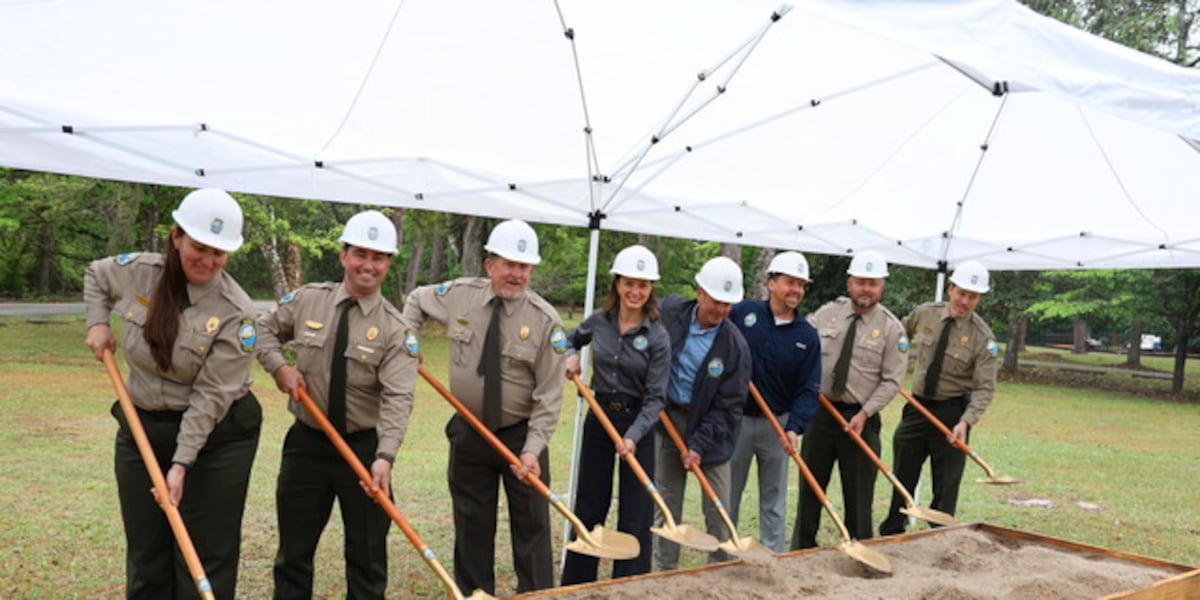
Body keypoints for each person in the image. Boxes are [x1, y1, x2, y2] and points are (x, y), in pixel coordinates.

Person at [83, 188, 261, 600]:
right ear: (176, 236)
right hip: (141, 423)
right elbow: (95, 273)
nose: (208, 260)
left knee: (202, 554)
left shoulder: (237, 310)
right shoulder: (139, 272)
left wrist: (181, 463)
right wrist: (97, 322)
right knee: (147, 552)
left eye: (220, 252)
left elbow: (211, 397)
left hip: (217, 436)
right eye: (200, 246)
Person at [256, 209, 417, 599]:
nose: (368, 265)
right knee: (294, 553)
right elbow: (260, 330)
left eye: (378, 258)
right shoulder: (309, 300)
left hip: (363, 451)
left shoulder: (396, 329)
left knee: (367, 558)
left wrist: (385, 457)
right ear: (344, 255)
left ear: (388, 264)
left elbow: (398, 398)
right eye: (360, 254)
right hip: (306, 444)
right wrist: (279, 368)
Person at [401, 219, 567, 595]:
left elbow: (549, 396)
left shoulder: (545, 322)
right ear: (490, 264)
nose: (517, 274)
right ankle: (476, 593)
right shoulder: (458, 295)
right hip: (470, 431)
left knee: (532, 527)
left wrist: (532, 450)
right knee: (472, 524)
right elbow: (414, 301)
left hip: (521, 437)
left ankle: (537, 594)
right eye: (509, 264)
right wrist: (408, 343)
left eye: (524, 266)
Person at [560, 245, 671, 585]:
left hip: (638, 424)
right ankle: (578, 583)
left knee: (636, 511)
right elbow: (567, 340)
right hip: (599, 418)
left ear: (651, 289)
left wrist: (633, 436)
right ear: (617, 284)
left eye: (643, 285)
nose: (635, 292)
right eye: (629, 283)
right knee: (590, 502)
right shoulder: (599, 321)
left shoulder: (658, 336)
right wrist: (571, 353)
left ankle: (629, 585)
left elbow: (656, 399)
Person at [793, 250, 907, 549]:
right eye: (860, 282)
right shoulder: (825, 314)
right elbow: (801, 348)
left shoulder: (892, 329)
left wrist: (865, 413)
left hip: (860, 421)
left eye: (872, 283)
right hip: (820, 414)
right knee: (811, 488)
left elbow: (892, 380)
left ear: (882, 287)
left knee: (859, 494)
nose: (866, 289)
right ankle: (802, 549)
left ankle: (860, 551)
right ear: (849, 284)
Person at [879, 260, 999, 536]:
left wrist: (966, 422)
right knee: (902, 475)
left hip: (952, 413)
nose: (965, 301)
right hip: (917, 408)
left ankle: (940, 538)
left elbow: (985, 388)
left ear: (979, 299)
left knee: (946, 485)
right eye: (961, 293)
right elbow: (898, 334)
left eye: (973, 297)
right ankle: (892, 533)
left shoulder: (983, 338)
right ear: (951, 289)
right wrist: (891, 365)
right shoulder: (925, 314)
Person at [654, 256, 752, 570]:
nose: (721, 310)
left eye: (728, 305)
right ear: (700, 293)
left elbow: (729, 406)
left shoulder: (734, 346)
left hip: (714, 432)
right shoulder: (670, 312)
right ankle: (664, 570)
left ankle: (720, 569)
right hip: (669, 420)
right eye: (717, 302)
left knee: (718, 506)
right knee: (666, 501)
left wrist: (698, 444)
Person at [727, 251, 821, 553]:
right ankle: (721, 557)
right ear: (771, 283)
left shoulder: (807, 335)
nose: (796, 289)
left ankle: (773, 560)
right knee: (727, 496)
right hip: (736, 422)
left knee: (774, 501)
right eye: (790, 282)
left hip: (777, 426)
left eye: (801, 284)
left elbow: (809, 388)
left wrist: (794, 427)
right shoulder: (742, 314)